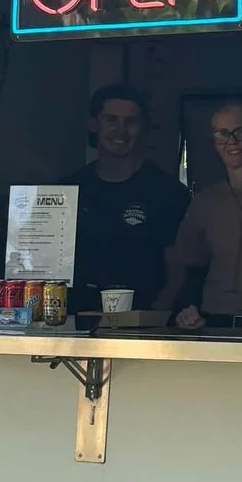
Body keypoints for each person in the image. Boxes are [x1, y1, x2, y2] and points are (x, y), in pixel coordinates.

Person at [67, 83, 189, 313]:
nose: (120, 131)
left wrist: (157, 314)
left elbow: (179, 268)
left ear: (143, 128)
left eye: (131, 122)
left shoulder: (169, 193)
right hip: (76, 322)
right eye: (110, 120)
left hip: (143, 327)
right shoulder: (67, 191)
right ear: (93, 124)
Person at [163, 102, 242, 329]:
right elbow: (188, 268)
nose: (232, 141)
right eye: (222, 134)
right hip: (216, 321)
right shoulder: (206, 201)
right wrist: (187, 311)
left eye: (241, 132)